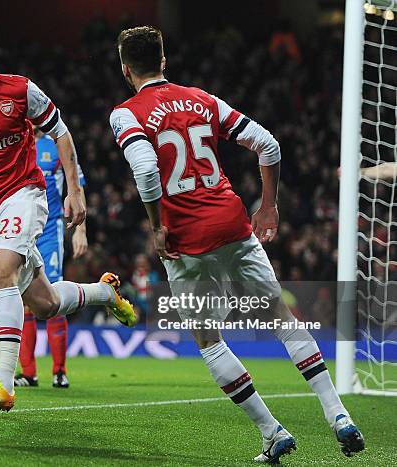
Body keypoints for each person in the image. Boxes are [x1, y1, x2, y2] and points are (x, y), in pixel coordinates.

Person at [110, 26, 364, 463]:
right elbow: (268, 144)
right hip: (232, 223)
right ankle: (338, 414)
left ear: (125, 68)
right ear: (164, 61)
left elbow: (148, 171)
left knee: (209, 340)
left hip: (187, 238)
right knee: (282, 319)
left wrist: (157, 225)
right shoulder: (202, 99)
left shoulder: (126, 113)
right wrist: (268, 206)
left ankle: (271, 432)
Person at [0, 28, 136, 412]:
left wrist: (75, 190)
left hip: (25, 195)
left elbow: (62, 133)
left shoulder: (20, 90)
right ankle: (106, 293)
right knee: (46, 304)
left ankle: (4, 382)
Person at [15, 129, 88, 389]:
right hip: (21, 228)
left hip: (49, 229)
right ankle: (29, 373)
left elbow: (76, 185)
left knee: (53, 296)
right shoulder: (13, 142)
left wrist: (80, 229)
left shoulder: (56, 144)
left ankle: (59, 371)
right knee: (24, 299)